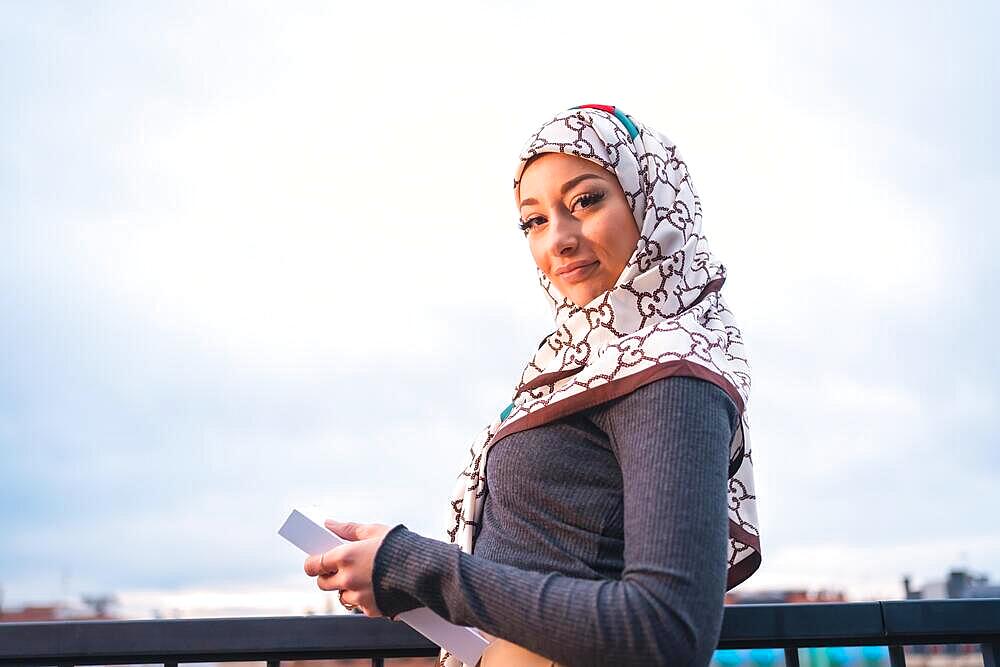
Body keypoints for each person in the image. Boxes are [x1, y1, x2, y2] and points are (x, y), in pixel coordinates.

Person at [302, 104, 762, 666]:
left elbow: (665, 629)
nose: (559, 240)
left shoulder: (667, 372)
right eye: (534, 220)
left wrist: (414, 566)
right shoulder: (591, 365)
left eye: (586, 201)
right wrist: (396, 574)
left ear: (653, 201)